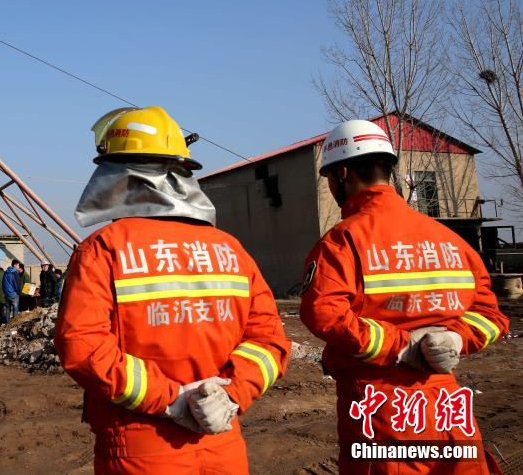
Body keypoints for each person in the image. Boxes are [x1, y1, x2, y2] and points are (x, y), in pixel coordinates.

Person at [54, 106, 290, 474]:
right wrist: (230, 395)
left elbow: (83, 347)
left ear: (117, 177)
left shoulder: (104, 248)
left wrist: (171, 401)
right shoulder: (231, 249)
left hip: (139, 446)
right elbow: (270, 342)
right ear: (182, 174)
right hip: (222, 441)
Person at [299, 120, 509, 475]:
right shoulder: (449, 239)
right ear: (388, 169)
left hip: (380, 409)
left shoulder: (343, 241)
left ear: (343, 173)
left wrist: (399, 345)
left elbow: (324, 314)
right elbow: (490, 315)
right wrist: (456, 337)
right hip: (448, 407)